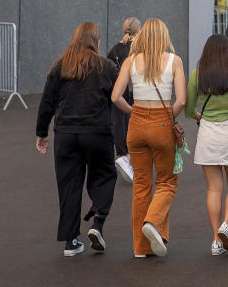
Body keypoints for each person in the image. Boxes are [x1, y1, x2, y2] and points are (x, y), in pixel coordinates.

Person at [36, 23, 120, 257]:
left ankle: (71, 242)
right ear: (96, 41)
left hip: (65, 134)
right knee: (104, 176)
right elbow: (120, 98)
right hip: (98, 132)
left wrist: (41, 133)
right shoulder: (107, 67)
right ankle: (97, 223)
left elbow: (46, 103)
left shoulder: (60, 66)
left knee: (69, 186)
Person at [110, 19, 186, 258]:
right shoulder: (174, 61)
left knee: (141, 185)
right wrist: (167, 117)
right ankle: (152, 223)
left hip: (136, 123)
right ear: (164, 37)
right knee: (167, 182)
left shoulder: (131, 60)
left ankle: (141, 248)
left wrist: (135, 112)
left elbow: (115, 97)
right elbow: (181, 101)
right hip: (162, 123)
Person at [185, 35, 228, 256]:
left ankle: (215, 240)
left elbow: (189, 109)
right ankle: (227, 224)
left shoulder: (197, 75)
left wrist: (199, 115)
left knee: (213, 188)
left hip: (208, 133)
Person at [107, 17, 140, 183]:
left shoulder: (114, 49)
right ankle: (130, 161)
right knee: (136, 129)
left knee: (121, 125)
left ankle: (123, 156)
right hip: (136, 95)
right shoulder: (140, 49)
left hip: (118, 94)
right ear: (138, 31)